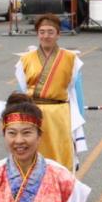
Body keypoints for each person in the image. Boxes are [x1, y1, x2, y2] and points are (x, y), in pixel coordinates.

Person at [14, 14, 87, 171]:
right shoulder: (25, 60)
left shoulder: (71, 59)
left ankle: (62, 190)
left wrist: (78, 116)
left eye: (50, 32)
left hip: (59, 114)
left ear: (58, 34)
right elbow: (22, 90)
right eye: (42, 32)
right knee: (33, 153)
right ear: (37, 34)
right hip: (33, 115)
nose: (46, 36)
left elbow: (74, 90)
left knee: (60, 153)